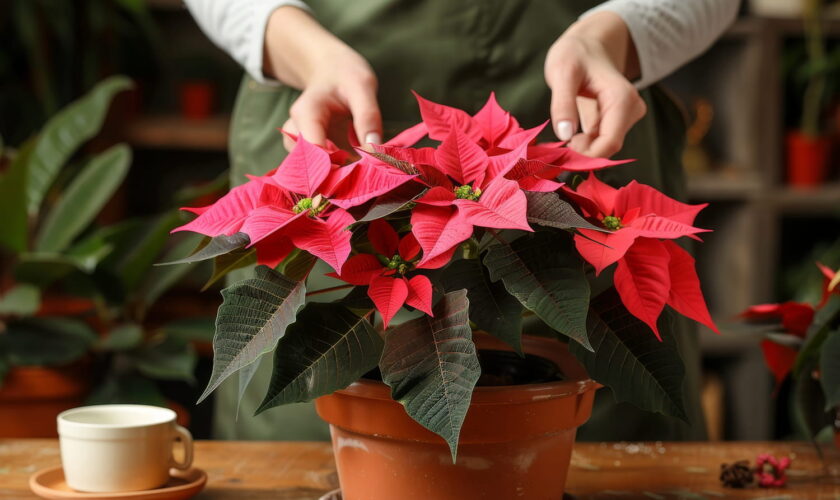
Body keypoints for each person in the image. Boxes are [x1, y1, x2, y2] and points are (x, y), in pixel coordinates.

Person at [184, 0, 740, 442]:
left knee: (605, 414)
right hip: (329, 119)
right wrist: (305, 52)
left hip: (583, 123)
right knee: (325, 435)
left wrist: (615, 36)